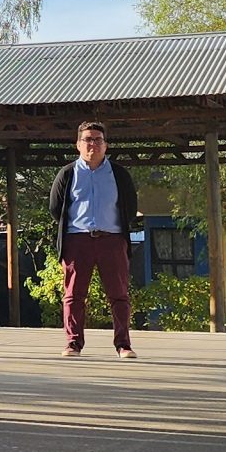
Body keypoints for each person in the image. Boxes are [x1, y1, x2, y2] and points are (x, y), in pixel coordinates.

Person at [47, 121, 139, 360]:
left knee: (119, 295)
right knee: (74, 295)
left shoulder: (118, 174)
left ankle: (123, 345)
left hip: (112, 240)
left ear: (106, 145)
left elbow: (130, 207)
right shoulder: (67, 174)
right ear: (78, 144)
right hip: (77, 241)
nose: (93, 145)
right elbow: (56, 208)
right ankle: (73, 343)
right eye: (87, 139)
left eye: (98, 140)